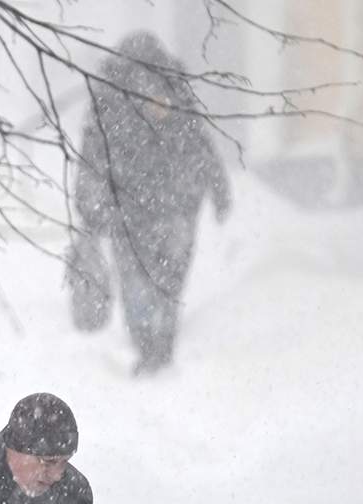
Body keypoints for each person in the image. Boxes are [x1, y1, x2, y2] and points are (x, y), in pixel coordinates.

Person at [72, 32, 231, 374]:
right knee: (168, 278)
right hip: (173, 205)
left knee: (138, 278)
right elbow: (199, 143)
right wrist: (218, 190)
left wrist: (90, 207)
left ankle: (149, 343)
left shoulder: (109, 96)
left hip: (133, 209)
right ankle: (158, 345)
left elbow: (91, 155)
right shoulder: (170, 89)